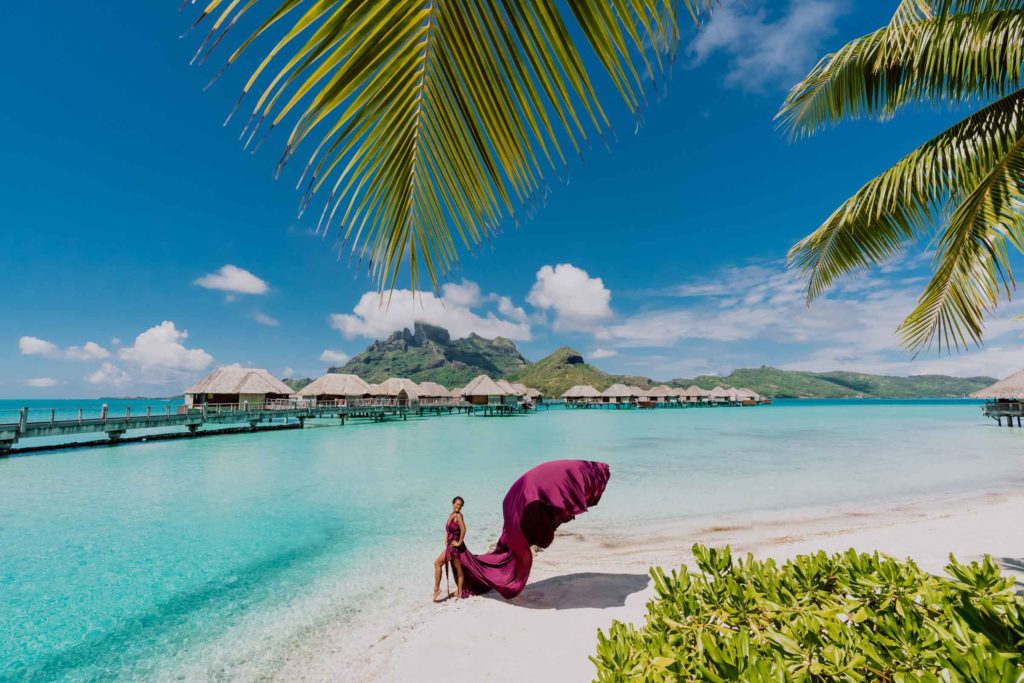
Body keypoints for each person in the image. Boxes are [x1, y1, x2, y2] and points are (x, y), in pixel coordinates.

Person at [433, 496, 466, 602]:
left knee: (437, 564)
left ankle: (437, 589)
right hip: (450, 545)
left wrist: (459, 542)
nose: (458, 506)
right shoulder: (451, 515)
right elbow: (448, 529)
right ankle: (459, 591)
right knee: (458, 569)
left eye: (460, 505)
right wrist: (446, 539)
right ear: (453, 503)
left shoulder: (459, 516)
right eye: (457, 504)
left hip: (454, 547)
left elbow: (464, 529)